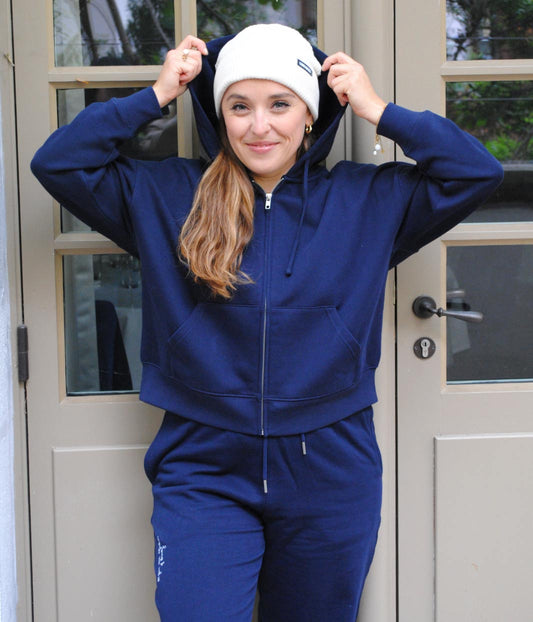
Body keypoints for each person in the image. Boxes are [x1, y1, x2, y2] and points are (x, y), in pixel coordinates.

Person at [31, 23, 503, 622]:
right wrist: (155, 95)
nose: (259, 126)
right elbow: (59, 163)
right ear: (220, 115)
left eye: (280, 104)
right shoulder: (168, 194)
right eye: (240, 106)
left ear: (309, 116)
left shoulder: (369, 200)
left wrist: (378, 110)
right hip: (203, 464)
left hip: (329, 466)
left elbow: (476, 172)